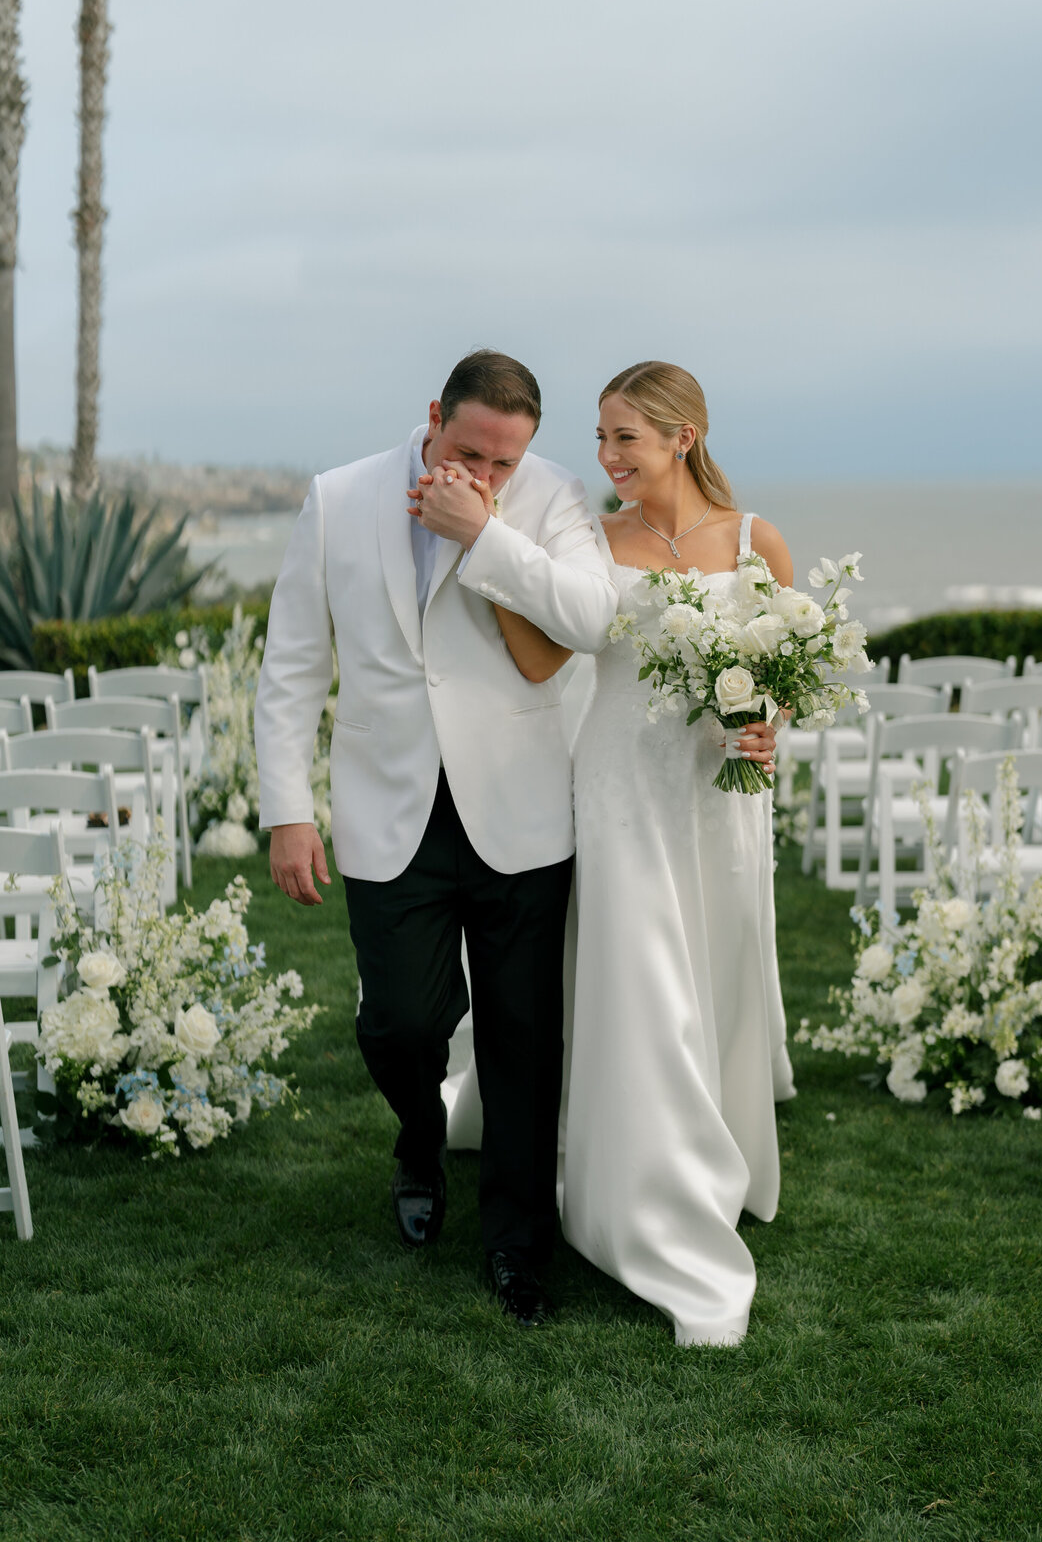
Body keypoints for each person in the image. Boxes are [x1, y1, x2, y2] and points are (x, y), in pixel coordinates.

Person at [254, 350, 617, 1328]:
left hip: (522, 811)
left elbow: (593, 617)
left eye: (506, 461)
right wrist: (288, 809)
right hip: (389, 808)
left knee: (522, 1038)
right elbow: (293, 665)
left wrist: (485, 533)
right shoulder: (338, 498)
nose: (487, 473)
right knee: (402, 1024)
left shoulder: (553, 497)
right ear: (433, 418)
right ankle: (420, 1138)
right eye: (470, 454)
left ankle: (517, 1247)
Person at [486, 361, 796, 1347]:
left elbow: (786, 668)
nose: (606, 455)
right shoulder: (594, 542)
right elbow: (542, 658)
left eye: (625, 436)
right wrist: (494, 561)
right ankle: (646, 1198)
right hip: (618, 786)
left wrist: (769, 726)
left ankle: (722, 1154)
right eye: (600, 436)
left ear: (682, 437)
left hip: (718, 795)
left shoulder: (754, 542)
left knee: (720, 971)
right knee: (644, 986)